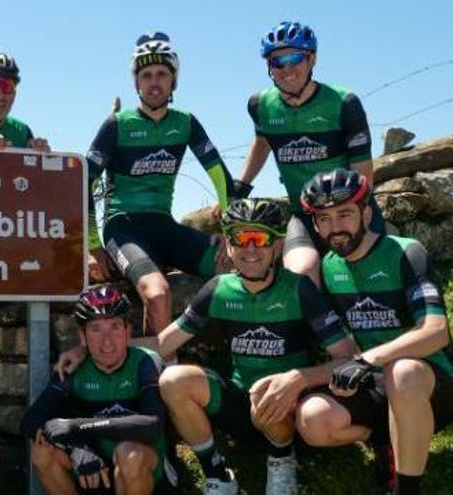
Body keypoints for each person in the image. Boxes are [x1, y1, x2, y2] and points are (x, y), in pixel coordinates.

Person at [157, 198, 356, 495]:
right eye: (241, 238)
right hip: (241, 402)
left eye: (260, 238)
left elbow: (348, 357)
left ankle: (282, 459)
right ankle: (216, 473)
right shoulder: (219, 289)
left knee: (266, 391)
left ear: (277, 246)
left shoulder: (299, 288)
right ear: (228, 245)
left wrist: (297, 379)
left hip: (289, 407)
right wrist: (85, 351)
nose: (250, 249)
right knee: (172, 380)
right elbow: (164, 344)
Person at [296, 169, 453, 495]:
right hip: (371, 380)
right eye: (324, 219)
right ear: (314, 225)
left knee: (403, 372)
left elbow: (437, 332)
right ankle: (384, 440)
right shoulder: (329, 266)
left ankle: (408, 490)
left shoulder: (405, 251)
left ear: (366, 213)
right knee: (312, 419)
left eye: (344, 214)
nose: (335, 227)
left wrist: (368, 359)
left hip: (426, 380)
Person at [85, 31, 239, 349]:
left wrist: (231, 231)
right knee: (157, 293)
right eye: (146, 75)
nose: (154, 82)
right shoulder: (118, 124)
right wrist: (91, 244)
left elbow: (221, 177)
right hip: (123, 227)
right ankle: (162, 376)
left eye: (162, 74)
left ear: (173, 81)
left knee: (238, 266)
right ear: (136, 83)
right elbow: (83, 182)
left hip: (163, 225)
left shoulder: (185, 123)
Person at [235, 21, 384, 286]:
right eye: (277, 62)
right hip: (303, 213)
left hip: (349, 209)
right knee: (300, 273)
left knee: (368, 277)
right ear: (269, 66)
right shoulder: (260, 105)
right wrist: (241, 185)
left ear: (312, 59)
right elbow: (262, 142)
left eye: (295, 58)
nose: (287, 69)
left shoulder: (343, 103)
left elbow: (364, 176)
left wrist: (352, 217)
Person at [21, 285, 176, 495]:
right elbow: (31, 420)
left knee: (128, 452)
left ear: (128, 331)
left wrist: (78, 426)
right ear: (83, 336)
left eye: (114, 326)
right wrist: (76, 448)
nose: (107, 340)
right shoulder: (74, 367)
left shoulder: (145, 361)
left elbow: (152, 424)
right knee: (42, 453)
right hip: (95, 468)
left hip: (145, 470)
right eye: (95, 329)